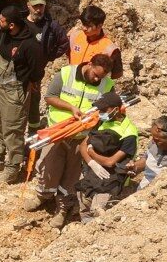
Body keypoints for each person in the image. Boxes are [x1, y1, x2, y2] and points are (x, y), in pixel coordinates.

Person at [26, 54, 114, 217]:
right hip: (57, 134)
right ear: (90, 64)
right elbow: (50, 97)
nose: (97, 80)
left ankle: (62, 208)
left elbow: (109, 110)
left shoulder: (107, 85)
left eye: (101, 77)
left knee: (71, 175)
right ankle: (42, 196)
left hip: (81, 138)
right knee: (48, 169)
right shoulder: (66, 74)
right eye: (95, 74)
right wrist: (71, 108)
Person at [0, 4, 44, 181]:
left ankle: (12, 170)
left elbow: (37, 71)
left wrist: (30, 83)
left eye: (1, 20)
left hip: (14, 92)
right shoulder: (5, 33)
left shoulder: (30, 44)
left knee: (12, 130)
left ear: (12, 25)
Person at [76, 95, 140, 221]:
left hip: (110, 182)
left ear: (115, 109)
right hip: (91, 176)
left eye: (104, 110)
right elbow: (83, 145)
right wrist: (91, 163)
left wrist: (91, 153)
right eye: (100, 110)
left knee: (99, 214)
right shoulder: (102, 122)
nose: (101, 113)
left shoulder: (129, 133)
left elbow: (110, 162)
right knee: (85, 211)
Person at [132, 116, 167, 189]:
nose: (152, 141)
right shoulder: (156, 142)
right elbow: (147, 158)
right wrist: (134, 167)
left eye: (156, 140)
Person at [66, 5, 120, 77]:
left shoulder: (110, 49)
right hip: (71, 84)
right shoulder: (74, 36)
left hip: (92, 87)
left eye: (88, 26)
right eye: (83, 24)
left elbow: (117, 74)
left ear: (99, 26)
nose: (84, 28)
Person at [26, 0, 64, 64]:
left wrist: (50, 56)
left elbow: (64, 43)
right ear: (28, 5)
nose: (38, 10)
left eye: (41, 6)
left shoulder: (51, 25)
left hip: (37, 70)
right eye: (35, 6)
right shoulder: (21, 23)